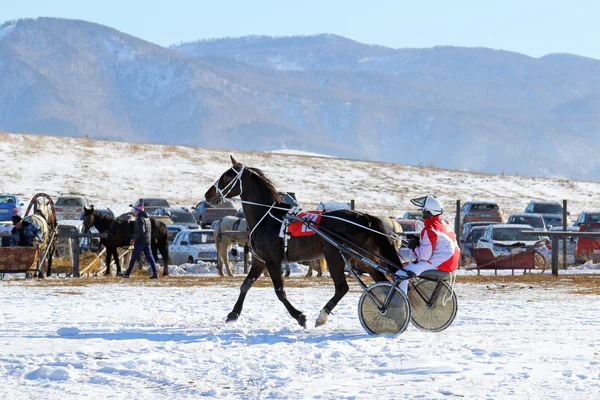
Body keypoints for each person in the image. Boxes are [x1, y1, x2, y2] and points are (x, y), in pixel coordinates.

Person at [396, 195, 459, 293]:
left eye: (423, 212)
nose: (422, 215)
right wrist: (417, 242)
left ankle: (400, 303)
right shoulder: (443, 224)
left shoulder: (430, 229)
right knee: (400, 254)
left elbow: (424, 255)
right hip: (449, 262)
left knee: (401, 274)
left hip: (440, 263)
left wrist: (414, 247)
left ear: (429, 213)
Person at [120, 204, 158, 279]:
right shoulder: (147, 219)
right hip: (147, 241)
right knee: (150, 258)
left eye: (136, 210)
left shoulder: (140, 219)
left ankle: (127, 274)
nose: (134, 211)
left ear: (139, 211)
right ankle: (155, 274)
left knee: (134, 258)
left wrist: (134, 239)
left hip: (140, 241)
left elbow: (141, 231)